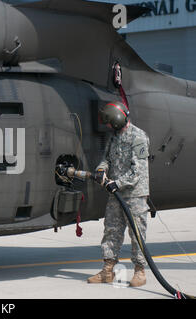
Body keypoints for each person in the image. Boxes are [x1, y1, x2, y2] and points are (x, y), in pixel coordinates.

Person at [87, 101, 150, 287]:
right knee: (111, 229)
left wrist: (117, 183)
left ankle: (140, 271)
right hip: (116, 193)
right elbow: (107, 158)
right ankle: (108, 270)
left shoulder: (138, 137)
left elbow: (137, 171)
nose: (107, 126)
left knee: (136, 233)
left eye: (108, 122)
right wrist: (101, 169)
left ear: (115, 119)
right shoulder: (114, 137)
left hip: (134, 194)